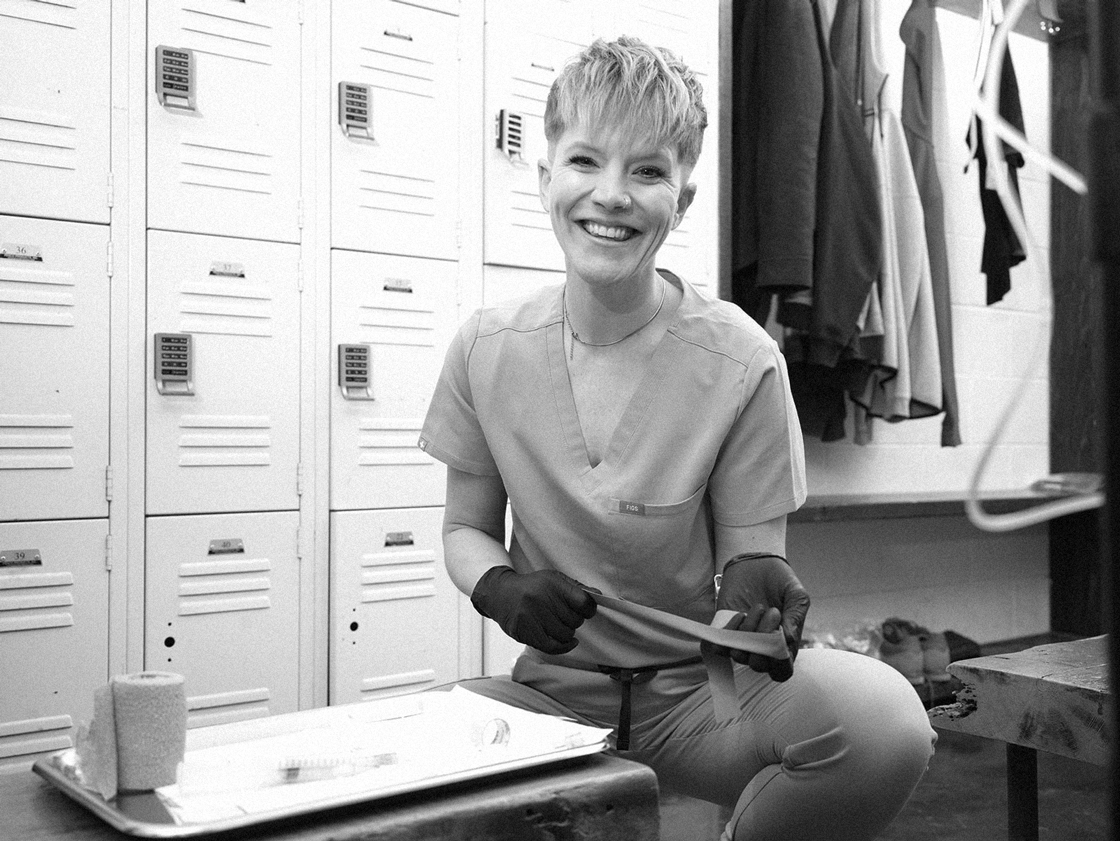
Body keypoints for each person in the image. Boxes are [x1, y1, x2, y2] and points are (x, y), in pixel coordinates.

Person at [419, 36, 936, 841]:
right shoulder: (486, 347)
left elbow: (749, 565)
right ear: (544, 176)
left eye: (649, 171)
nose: (613, 195)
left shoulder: (741, 360)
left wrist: (759, 581)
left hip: (703, 699)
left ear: (684, 198)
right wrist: (497, 585)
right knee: (405, 760)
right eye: (585, 161)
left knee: (885, 723)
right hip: (552, 699)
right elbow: (465, 527)